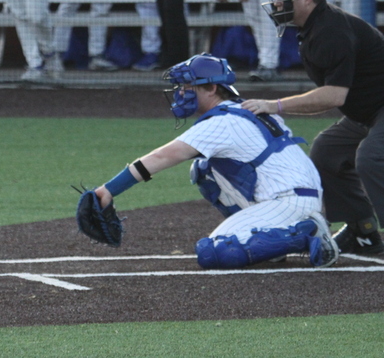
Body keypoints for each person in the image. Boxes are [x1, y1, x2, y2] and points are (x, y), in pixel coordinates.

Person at [91, 53, 338, 269]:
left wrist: (108, 190)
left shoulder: (221, 122)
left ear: (211, 88)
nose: (181, 92)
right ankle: (273, 239)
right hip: (294, 193)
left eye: (188, 86)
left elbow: (162, 157)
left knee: (215, 252)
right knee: (203, 169)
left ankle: (310, 233)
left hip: (288, 200)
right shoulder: (243, 108)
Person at [244, 0, 384, 256]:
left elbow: (333, 96)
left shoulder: (331, 30)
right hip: (369, 111)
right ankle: (364, 231)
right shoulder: (314, 27)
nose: (277, 4)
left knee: (371, 158)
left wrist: (275, 105)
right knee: (327, 151)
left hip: (378, 108)